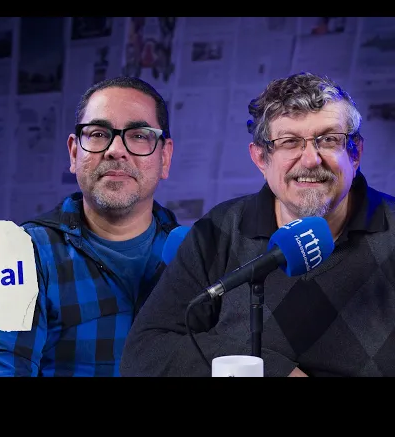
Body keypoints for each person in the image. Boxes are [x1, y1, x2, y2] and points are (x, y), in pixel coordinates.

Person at [120, 71, 395, 377]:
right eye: (289, 142)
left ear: (355, 153)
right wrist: (269, 370)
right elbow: (145, 351)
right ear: (261, 158)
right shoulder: (218, 231)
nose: (310, 160)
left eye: (329, 139)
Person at [0, 76, 180, 376]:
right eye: (98, 134)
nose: (115, 150)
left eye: (138, 135)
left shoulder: (195, 253)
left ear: (165, 157)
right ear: (73, 153)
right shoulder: (23, 255)